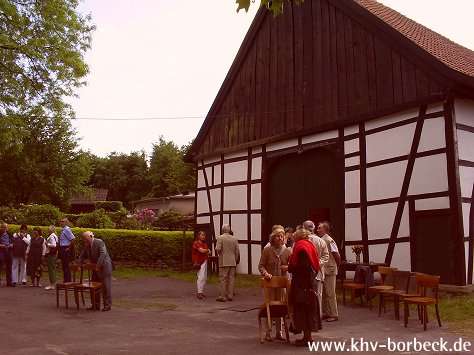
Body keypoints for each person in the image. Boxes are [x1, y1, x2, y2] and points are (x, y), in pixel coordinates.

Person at [288, 229, 321, 346]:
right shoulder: (309, 245)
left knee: (304, 308)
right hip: (309, 281)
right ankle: (308, 337)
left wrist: (291, 267)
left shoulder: (301, 247)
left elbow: (303, 266)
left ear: (298, 237)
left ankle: (307, 338)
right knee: (308, 308)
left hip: (303, 283)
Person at [258, 227, 291, 342]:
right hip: (269, 283)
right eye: (278, 236)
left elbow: (292, 266)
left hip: (282, 283)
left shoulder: (287, 251)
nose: (280, 238)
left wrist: (287, 267)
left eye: (282, 236)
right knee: (270, 307)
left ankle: (279, 332)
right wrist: (266, 273)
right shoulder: (267, 250)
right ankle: (268, 332)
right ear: (273, 238)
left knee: (281, 307)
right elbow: (261, 265)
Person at [77, 231, 115, 311]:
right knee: (94, 286)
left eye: (86, 238)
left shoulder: (99, 242)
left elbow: (103, 254)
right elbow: (82, 256)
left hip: (104, 266)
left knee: (105, 286)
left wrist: (98, 266)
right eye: (84, 239)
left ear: (91, 236)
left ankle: (107, 305)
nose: (85, 240)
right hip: (95, 267)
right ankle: (95, 305)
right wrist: (79, 265)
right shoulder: (87, 245)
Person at [304, 220, 329, 318]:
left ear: (304, 228)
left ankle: (307, 316)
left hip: (305, 272)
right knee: (318, 294)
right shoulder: (321, 241)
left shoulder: (301, 241)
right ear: (313, 228)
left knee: (306, 294)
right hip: (318, 271)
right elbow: (325, 256)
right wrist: (317, 264)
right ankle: (317, 316)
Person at [318, 221, 341, 322]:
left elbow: (337, 254)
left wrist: (337, 265)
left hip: (330, 269)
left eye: (319, 228)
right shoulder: (322, 240)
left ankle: (334, 314)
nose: (317, 230)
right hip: (325, 269)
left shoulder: (329, 240)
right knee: (325, 293)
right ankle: (327, 312)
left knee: (330, 293)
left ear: (325, 229)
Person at [215, 224, 240, 302]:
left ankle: (222, 296)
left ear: (222, 230)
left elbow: (218, 248)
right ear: (229, 230)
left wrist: (219, 253)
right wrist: (234, 259)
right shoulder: (234, 239)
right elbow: (237, 251)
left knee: (223, 278)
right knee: (231, 279)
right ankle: (230, 295)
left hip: (223, 261)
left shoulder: (220, 238)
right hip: (232, 261)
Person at [192, 231, 211, 299]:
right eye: (202, 235)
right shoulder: (196, 243)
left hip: (204, 261)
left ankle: (201, 292)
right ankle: (199, 292)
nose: (203, 236)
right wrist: (206, 250)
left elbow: (209, 252)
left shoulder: (204, 244)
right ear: (199, 236)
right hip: (199, 262)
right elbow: (202, 251)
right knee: (201, 277)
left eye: (204, 235)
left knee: (204, 277)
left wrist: (206, 250)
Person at [59, 217, 75, 282]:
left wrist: (69, 248)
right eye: (61, 221)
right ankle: (66, 279)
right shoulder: (63, 230)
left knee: (66, 265)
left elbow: (73, 239)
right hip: (62, 248)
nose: (61, 223)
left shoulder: (67, 230)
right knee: (64, 265)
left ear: (66, 222)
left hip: (65, 248)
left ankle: (67, 280)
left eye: (63, 221)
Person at [45, 225, 59, 290]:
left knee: (51, 268)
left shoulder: (51, 237)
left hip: (52, 253)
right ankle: (53, 282)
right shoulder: (55, 236)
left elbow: (54, 245)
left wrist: (47, 244)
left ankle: (52, 284)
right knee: (53, 268)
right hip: (55, 253)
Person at [0, 222, 14, 287]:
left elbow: (14, 242)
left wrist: (12, 245)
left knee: (9, 267)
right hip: (1, 251)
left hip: (8, 251)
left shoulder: (10, 234)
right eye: (3, 227)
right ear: (1, 227)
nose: (4, 228)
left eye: (6, 227)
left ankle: (9, 282)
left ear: (7, 228)